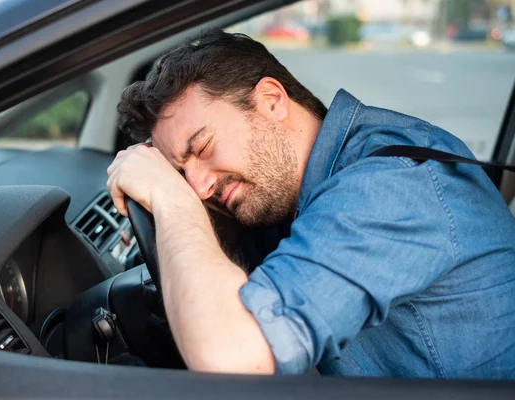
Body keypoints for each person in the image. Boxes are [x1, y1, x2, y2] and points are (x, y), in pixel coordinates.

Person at [106, 28, 515, 378]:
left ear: (271, 100)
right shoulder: (281, 193)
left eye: (203, 146)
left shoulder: (391, 186)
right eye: (180, 173)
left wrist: (173, 200)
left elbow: (233, 356)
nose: (197, 186)